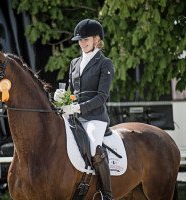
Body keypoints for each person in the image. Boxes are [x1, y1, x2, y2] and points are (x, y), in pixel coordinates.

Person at [54, 19, 115, 200]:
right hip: (73, 115)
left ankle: (106, 194)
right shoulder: (75, 62)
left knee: (95, 147)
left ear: (97, 39)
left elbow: (102, 97)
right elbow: (73, 93)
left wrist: (79, 108)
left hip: (95, 117)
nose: (82, 43)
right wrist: (62, 97)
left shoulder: (105, 63)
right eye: (79, 40)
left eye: (86, 39)